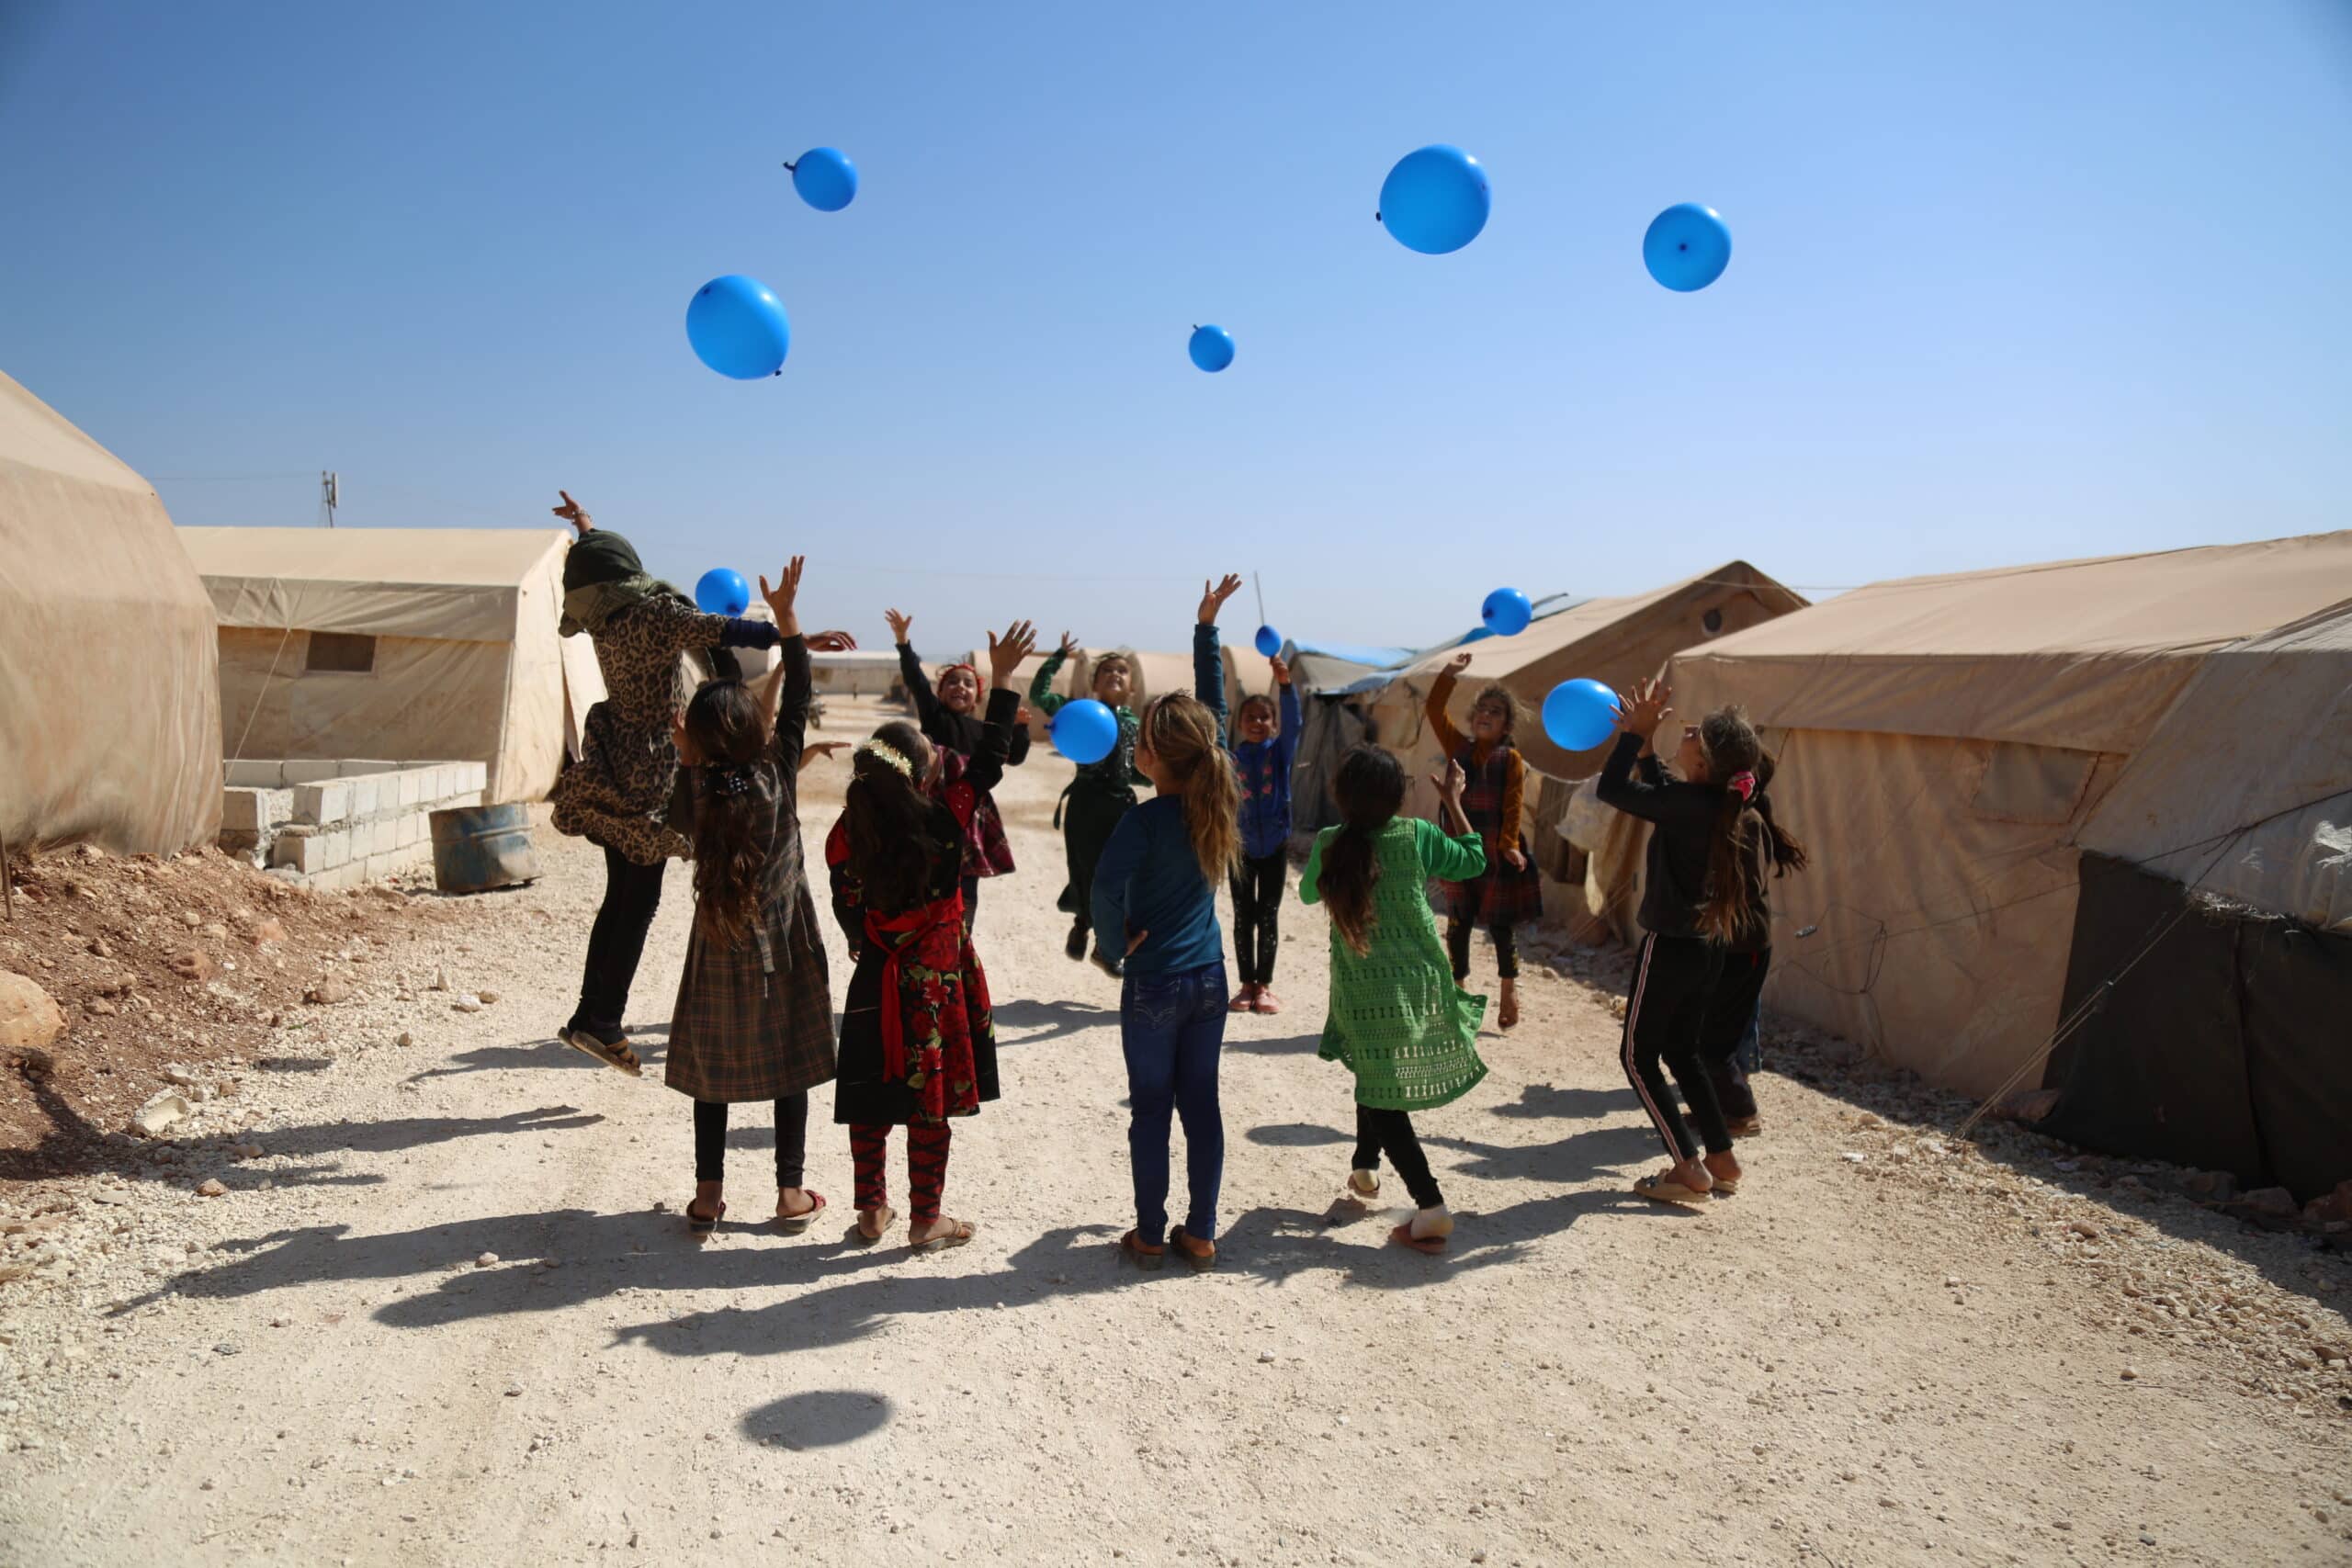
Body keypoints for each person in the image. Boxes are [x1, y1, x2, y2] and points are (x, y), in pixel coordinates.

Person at [546, 492, 835, 1073]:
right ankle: (601, 1021)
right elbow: (717, 627)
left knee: (619, 898)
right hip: (651, 772)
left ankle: (589, 1013)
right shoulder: (653, 615)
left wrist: (585, 528)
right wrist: (785, 633)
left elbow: (602, 567)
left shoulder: (603, 617)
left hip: (610, 761)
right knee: (639, 902)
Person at [825, 621, 1036, 1251]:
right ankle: (925, 1217)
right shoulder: (947, 818)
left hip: (876, 975)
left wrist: (859, 936)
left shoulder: (846, 834)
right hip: (935, 983)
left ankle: (870, 1210)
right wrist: (1001, 679)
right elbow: (994, 757)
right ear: (922, 775)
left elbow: (847, 907)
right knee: (928, 1095)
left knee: (870, 1091)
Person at [663, 558, 855, 1234]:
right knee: (789, 1064)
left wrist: (688, 753)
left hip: (717, 942)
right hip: (785, 936)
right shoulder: (777, 772)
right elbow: (798, 696)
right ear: (757, 731)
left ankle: (709, 1195)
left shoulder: (693, 793)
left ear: (693, 741)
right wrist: (789, 623)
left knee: (713, 1072)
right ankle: (790, 1192)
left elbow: (709, 759)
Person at [1092, 576, 1241, 1269]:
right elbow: (1213, 715)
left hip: (1153, 982)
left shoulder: (1142, 820)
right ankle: (1203, 1229)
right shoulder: (1214, 803)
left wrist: (1110, 940)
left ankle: (1150, 1232)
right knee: (1201, 1107)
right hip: (1210, 977)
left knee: (1151, 1109)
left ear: (1152, 757)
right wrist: (1206, 631)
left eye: (1142, 745)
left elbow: (1103, 887)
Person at [1300, 746, 1488, 1254]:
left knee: (1381, 1087)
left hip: (1361, 990)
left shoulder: (1331, 842)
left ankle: (1430, 1206)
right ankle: (1365, 1166)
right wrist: (1452, 801)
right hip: (1419, 986)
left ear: (1341, 796)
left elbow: (1306, 895)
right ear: (1399, 795)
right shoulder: (1418, 835)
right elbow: (1473, 859)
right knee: (1375, 1069)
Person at [1594, 676, 1771, 1204]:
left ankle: (1687, 1166)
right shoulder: (1714, 802)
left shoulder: (1692, 803)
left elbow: (1612, 790)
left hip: (1670, 945)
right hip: (1708, 947)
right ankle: (1721, 1157)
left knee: (1637, 1057)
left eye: (1697, 733)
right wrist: (1648, 750)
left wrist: (1631, 737)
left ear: (1702, 764)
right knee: (1684, 1051)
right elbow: (1663, 798)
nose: (1687, 728)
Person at [884, 608, 1033, 931]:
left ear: (978, 696)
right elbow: (916, 680)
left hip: (969, 814)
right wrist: (903, 642)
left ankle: (961, 935)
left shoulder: (983, 730)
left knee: (966, 882)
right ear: (940, 693)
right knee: (926, 871)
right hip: (933, 808)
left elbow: (1013, 756)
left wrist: (1019, 728)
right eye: (952, 682)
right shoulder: (935, 718)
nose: (959, 687)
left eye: (967, 683)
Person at [1423, 654, 1543, 1030]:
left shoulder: (1511, 758)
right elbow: (1433, 707)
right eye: (1481, 709)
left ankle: (1509, 989)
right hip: (1459, 852)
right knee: (1458, 921)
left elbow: (1513, 803)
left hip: (1495, 850)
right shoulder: (1457, 746)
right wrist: (1448, 675)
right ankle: (1457, 990)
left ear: (1507, 723)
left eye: (1495, 711)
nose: (1485, 715)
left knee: (1501, 925)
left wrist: (1509, 845)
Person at [1692, 748, 1806, 1136]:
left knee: (1716, 1042)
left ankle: (1742, 1112)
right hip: (1729, 944)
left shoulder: (1749, 822)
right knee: (1708, 1032)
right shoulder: (1732, 819)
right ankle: (1717, 1108)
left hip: (1745, 947)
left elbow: (1751, 885)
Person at [1027, 637, 1143, 965]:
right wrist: (1059, 656)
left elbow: (1141, 771)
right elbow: (1038, 695)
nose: (1114, 675)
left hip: (1122, 805)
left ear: (1132, 687)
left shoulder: (1137, 725)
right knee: (1084, 870)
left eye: (1122, 671)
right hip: (1085, 803)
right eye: (1106, 671)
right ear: (1094, 683)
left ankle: (1107, 946)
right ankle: (1082, 923)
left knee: (1122, 874)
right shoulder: (1079, 712)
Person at [1228, 655, 1302, 1015]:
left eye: (1264, 717)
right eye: (1250, 717)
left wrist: (1285, 686)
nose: (1257, 722)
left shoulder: (1280, 752)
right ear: (1239, 723)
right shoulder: (1231, 759)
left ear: (1273, 723)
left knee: (1268, 915)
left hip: (1274, 845)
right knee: (1243, 915)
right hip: (1239, 848)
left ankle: (1265, 987)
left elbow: (1295, 724)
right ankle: (1245, 985)